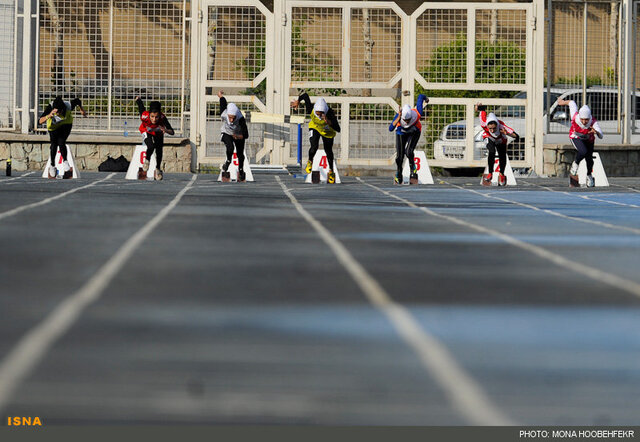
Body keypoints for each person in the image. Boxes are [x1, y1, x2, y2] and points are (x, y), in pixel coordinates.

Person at [291, 92, 341, 184]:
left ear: (324, 112)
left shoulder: (330, 114)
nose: (318, 116)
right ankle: (310, 161)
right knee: (314, 146)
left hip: (327, 132)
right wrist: (298, 100)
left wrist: (329, 122)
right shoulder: (311, 109)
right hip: (315, 127)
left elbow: (338, 129)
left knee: (328, 151)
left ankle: (331, 171)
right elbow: (305, 95)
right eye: (317, 114)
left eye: (320, 114)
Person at [556, 98, 603, 187]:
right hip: (576, 137)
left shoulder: (593, 121)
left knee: (589, 159)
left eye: (586, 120)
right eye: (582, 119)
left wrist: (596, 132)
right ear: (579, 117)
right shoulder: (575, 116)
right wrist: (562, 102)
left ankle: (589, 175)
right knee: (583, 152)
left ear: (589, 118)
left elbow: (601, 135)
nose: (584, 122)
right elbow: (571, 103)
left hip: (589, 139)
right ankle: (576, 163)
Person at [38, 96, 87, 179]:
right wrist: (49, 115)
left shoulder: (68, 105)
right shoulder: (50, 107)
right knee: (53, 144)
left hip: (65, 125)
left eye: (59, 112)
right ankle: (52, 165)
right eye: (56, 113)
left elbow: (78, 100)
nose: (58, 114)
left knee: (61, 141)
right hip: (53, 127)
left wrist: (82, 110)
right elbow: (40, 121)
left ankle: (65, 161)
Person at [476, 103, 519, 186]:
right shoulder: (483, 123)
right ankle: (490, 173)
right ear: (487, 125)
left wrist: (507, 133)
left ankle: (502, 174)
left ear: (497, 126)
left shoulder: (502, 127)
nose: (492, 130)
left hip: (501, 139)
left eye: (494, 128)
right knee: (491, 151)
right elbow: (482, 110)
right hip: (489, 138)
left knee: (502, 155)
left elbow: (516, 136)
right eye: (490, 128)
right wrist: (477, 107)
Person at [389, 94, 428, 184]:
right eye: (405, 120)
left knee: (409, 152)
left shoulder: (417, 113)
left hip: (414, 132)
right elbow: (390, 128)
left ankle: (413, 170)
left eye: (409, 120)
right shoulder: (398, 118)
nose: (407, 122)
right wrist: (398, 118)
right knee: (399, 157)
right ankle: (399, 172)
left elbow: (420, 96)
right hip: (401, 133)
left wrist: (426, 99)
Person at [135, 96, 175, 180]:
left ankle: (158, 169)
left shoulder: (162, 118)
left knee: (159, 150)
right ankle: (147, 161)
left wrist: (166, 130)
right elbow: (141, 108)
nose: (154, 119)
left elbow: (172, 132)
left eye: (156, 117)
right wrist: (138, 100)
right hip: (146, 131)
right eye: (152, 116)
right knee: (151, 146)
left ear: (159, 115)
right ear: (149, 114)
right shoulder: (144, 116)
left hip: (158, 132)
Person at [218, 90, 249, 182]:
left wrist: (238, 136)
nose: (231, 120)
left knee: (240, 153)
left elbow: (246, 135)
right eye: (230, 117)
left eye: (233, 118)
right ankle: (228, 161)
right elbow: (223, 102)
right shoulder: (224, 112)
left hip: (239, 134)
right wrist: (220, 95)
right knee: (230, 148)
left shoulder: (240, 119)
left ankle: (241, 170)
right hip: (227, 133)